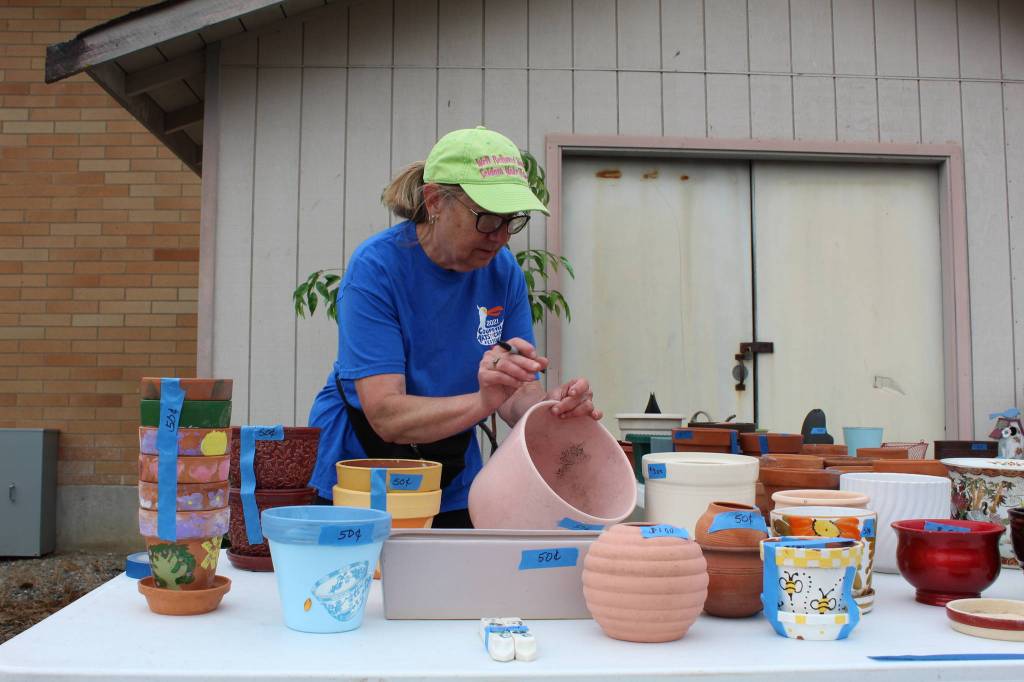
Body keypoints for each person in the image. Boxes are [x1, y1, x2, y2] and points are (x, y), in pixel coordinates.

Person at [307, 126, 602, 527]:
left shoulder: (503, 272)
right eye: (485, 218)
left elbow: (516, 395)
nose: (499, 236)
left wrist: (555, 409)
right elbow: (387, 415)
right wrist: (483, 402)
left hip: (451, 464)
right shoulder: (377, 270)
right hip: (361, 465)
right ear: (435, 202)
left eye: (510, 220)